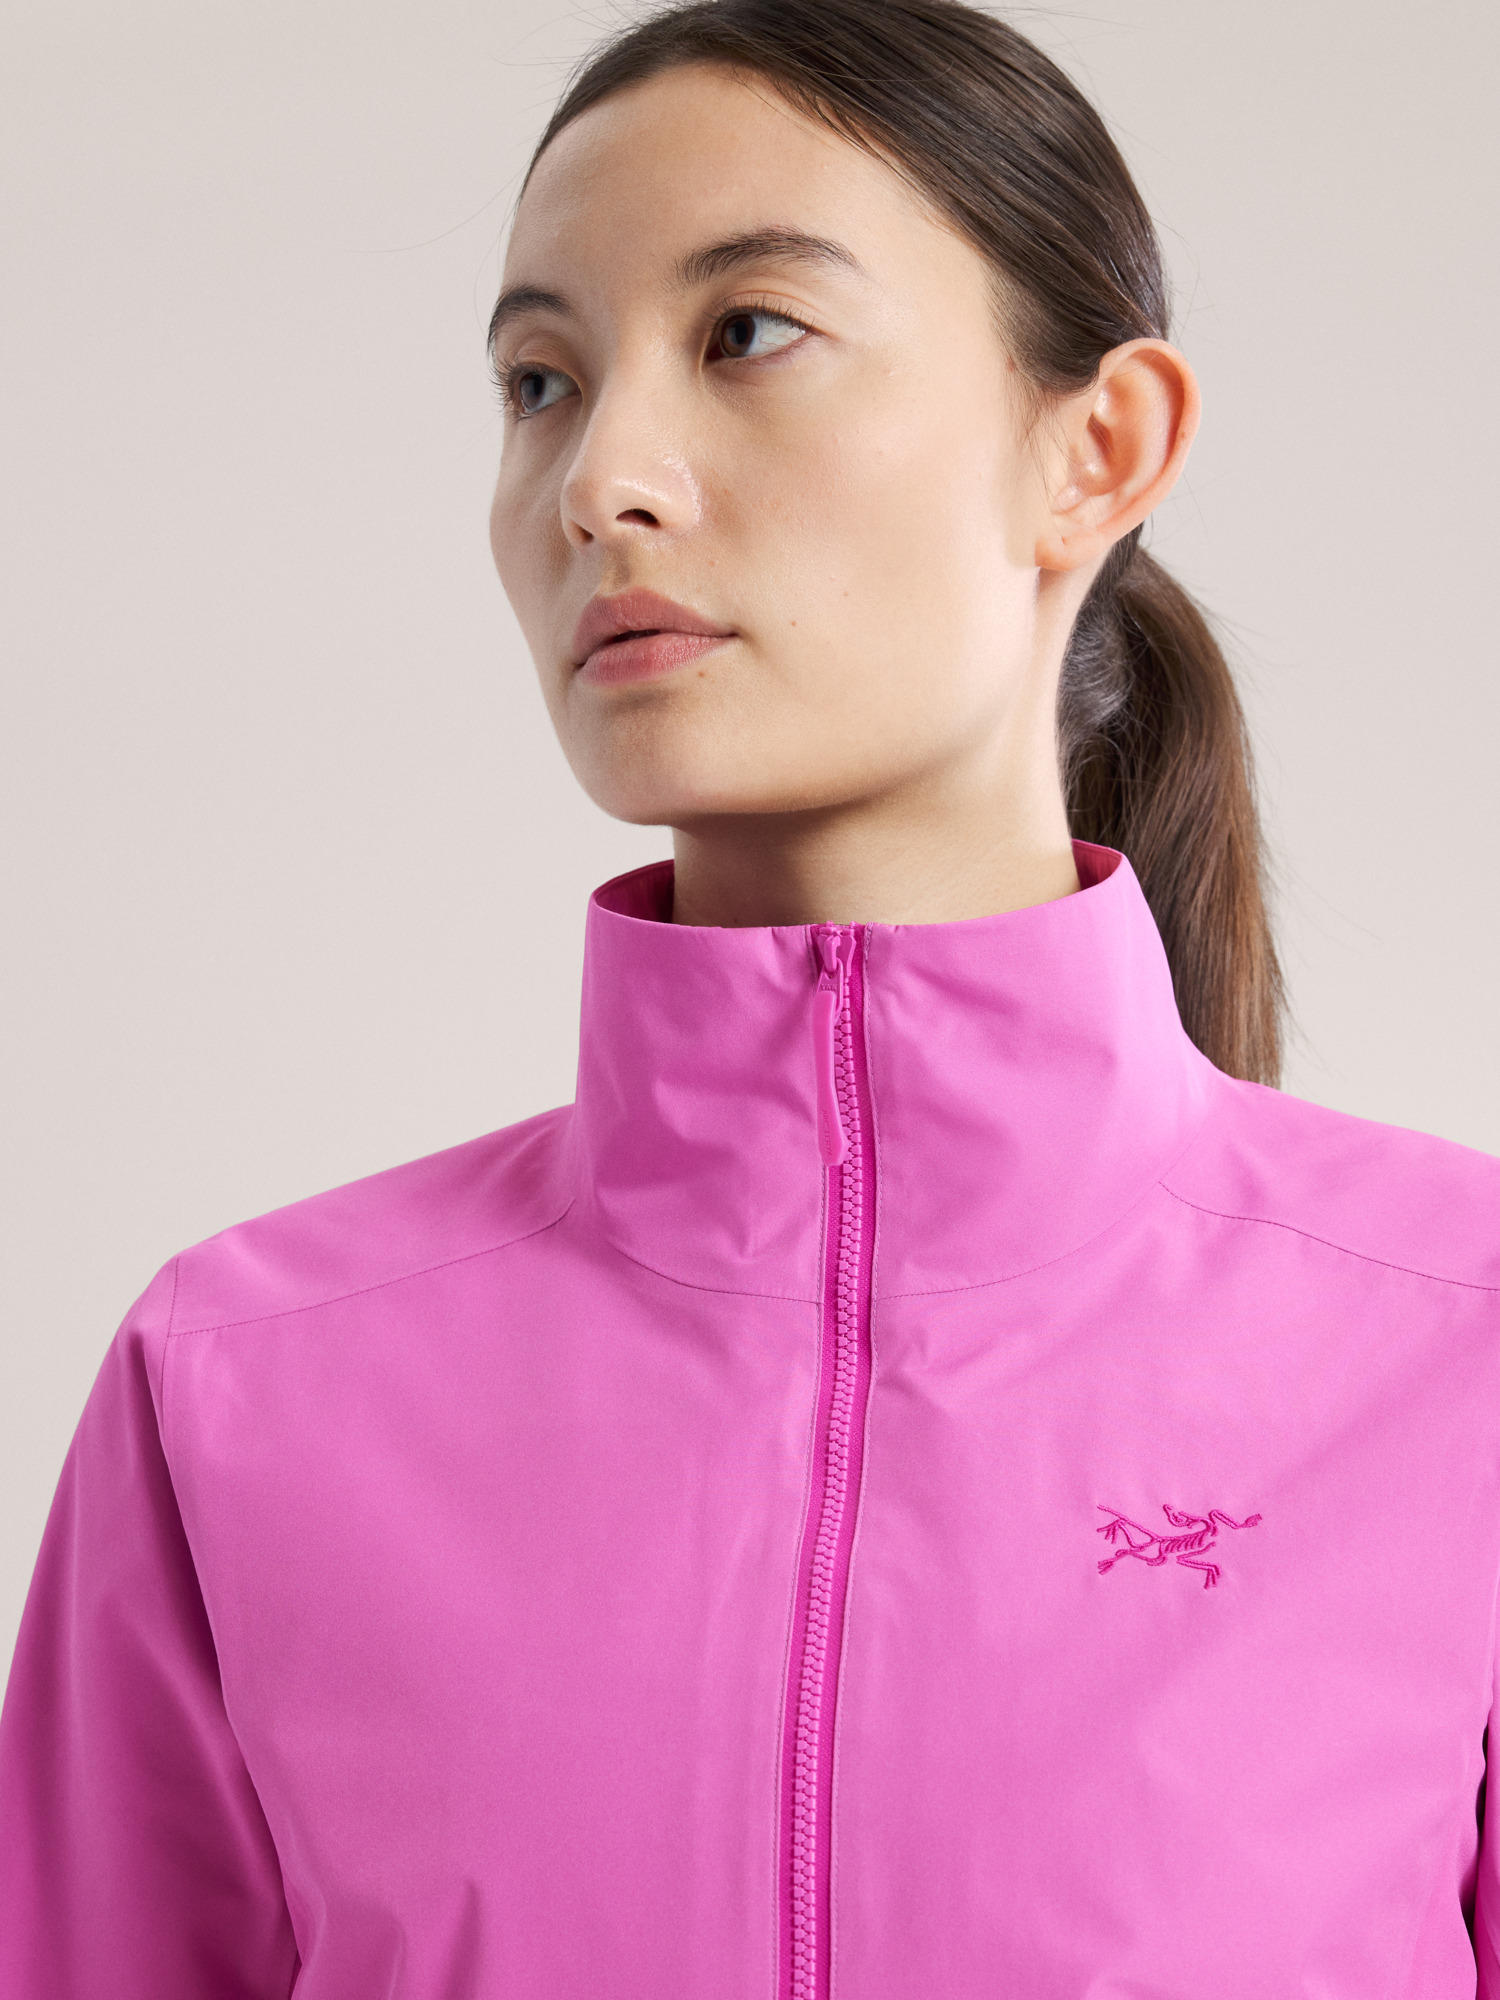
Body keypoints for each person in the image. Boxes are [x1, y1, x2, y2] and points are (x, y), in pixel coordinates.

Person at [2, 0, 1498, 1991]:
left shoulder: (1460, 1355)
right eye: (540, 381)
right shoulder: (238, 1390)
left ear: (1098, 452)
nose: (600, 478)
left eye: (748, 333)